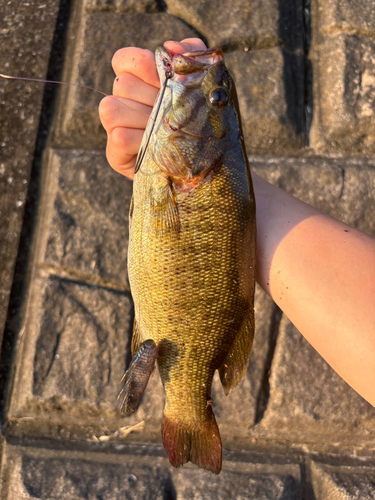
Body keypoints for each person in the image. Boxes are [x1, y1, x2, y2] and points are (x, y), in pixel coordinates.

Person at [99, 38, 375, 407]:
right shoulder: (192, 171)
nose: (214, 95)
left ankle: (186, 408)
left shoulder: (190, 169)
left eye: (217, 101)